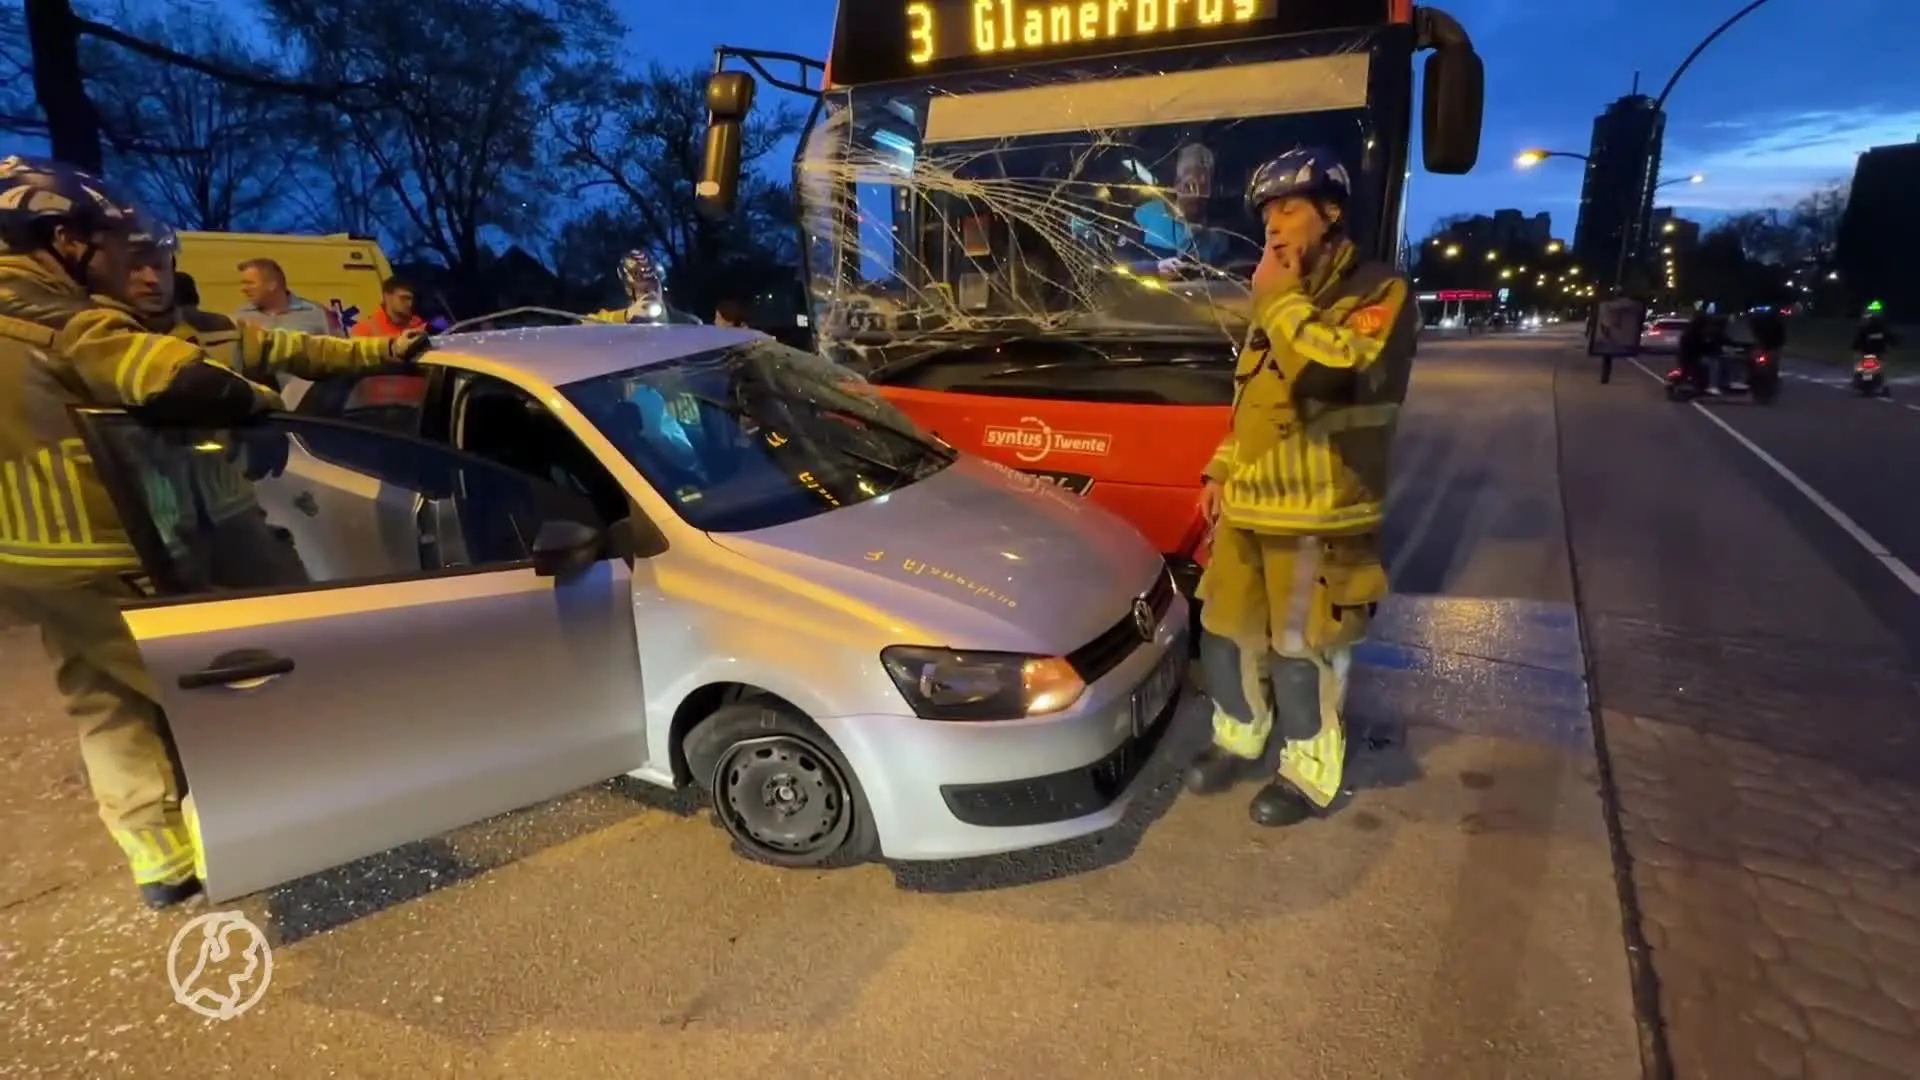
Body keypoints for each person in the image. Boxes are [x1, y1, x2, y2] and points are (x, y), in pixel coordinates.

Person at [0, 155, 291, 908]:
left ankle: (160, 863)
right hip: (98, 543)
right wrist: (257, 410)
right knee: (207, 687)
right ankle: (249, 839)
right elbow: (176, 378)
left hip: (24, 556)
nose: (126, 264)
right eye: (107, 242)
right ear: (60, 238)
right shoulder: (51, 313)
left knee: (102, 696)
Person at [1183, 146, 1416, 827]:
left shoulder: (1378, 293)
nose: (1273, 226)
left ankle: (1309, 770)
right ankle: (1240, 738)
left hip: (1318, 512)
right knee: (1223, 638)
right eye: (1265, 215)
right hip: (1250, 509)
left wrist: (1279, 301)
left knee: (1299, 653)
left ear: (1331, 212)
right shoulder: (1277, 299)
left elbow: (1330, 376)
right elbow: (1254, 401)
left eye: (1288, 208)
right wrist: (1221, 470)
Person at [123, 220, 431, 587]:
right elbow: (183, 389)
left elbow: (308, 350)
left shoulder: (218, 331)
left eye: (158, 265)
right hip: (145, 537)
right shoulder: (93, 338)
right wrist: (257, 407)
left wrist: (388, 349)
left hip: (232, 519)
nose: (151, 279)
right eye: (133, 267)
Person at [235, 257, 333, 336]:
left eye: (250, 283)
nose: (244, 289)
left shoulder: (315, 313)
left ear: (271, 285)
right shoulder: (243, 315)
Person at [590, 250, 668, 325]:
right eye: (645, 290)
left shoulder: (678, 321)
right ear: (628, 289)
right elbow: (586, 323)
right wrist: (625, 316)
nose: (652, 294)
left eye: (654, 287)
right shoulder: (617, 316)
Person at [350, 275, 427, 338]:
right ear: (387, 296)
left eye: (412, 299)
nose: (410, 304)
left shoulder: (420, 326)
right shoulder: (365, 330)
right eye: (404, 298)